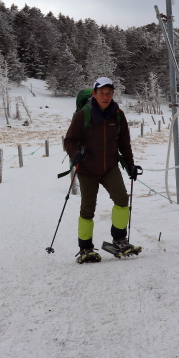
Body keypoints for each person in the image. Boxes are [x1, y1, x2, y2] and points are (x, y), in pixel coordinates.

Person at [63, 77, 141, 263]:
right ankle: (85, 248)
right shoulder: (84, 115)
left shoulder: (118, 115)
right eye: (102, 93)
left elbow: (124, 144)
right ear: (94, 94)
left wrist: (130, 164)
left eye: (109, 93)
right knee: (88, 208)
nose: (106, 97)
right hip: (87, 169)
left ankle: (119, 240)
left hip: (110, 168)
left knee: (122, 199)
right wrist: (76, 154)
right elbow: (69, 141)